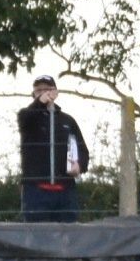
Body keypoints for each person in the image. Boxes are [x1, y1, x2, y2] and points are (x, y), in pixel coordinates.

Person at [18, 75, 89, 223]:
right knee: (37, 232)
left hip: (65, 191)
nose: (44, 93)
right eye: (39, 90)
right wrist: (40, 102)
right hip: (36, 191)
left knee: (68, 232)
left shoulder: (68, 121)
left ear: (56, 92)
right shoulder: (27, 117)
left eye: (48, 89)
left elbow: (82, 150)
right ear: (34, 94)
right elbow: (25, 118)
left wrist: (79, 165)